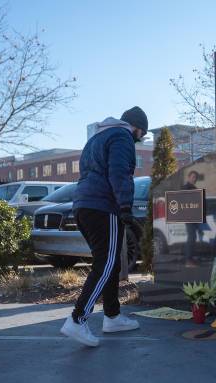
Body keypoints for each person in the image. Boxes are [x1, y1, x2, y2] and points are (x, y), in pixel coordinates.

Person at [60, 107, 147, 347]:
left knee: (111, 263)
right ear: (137, 128)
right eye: (142, 134)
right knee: (105, 264)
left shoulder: (97, 138)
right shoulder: (122, 136)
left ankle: (112, 317)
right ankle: (78, 320)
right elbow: (119, 172)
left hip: (84, 205)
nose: (140, 139)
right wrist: (126, 206)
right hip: (103, 206)